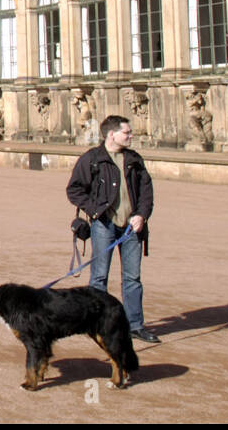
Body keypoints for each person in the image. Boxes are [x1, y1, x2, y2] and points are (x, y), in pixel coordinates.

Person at [66, 114, 159, 343]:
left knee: (132, 278)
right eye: (126, 132)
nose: (131, 136)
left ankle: (135, 325)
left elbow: (147, 192)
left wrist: (142, 215)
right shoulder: (92, 159)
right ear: (111, 134)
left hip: (131, 227)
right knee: (99, 277)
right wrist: (94, 210)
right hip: (104, 225)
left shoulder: (134, 159)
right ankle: (97, 324)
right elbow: (74, 189)